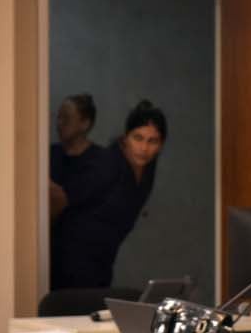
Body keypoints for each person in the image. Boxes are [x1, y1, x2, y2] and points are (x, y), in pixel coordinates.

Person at [50, 100, 167, 289]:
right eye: (138, 138)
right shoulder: (107, 163)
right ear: (126, 137)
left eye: (152, 141)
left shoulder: (147, 169)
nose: (144, 148)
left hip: (102, 260)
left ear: (161, 144)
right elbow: (62, 198)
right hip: (71, 259)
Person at [49, 93, 104, 222]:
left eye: (66, 118)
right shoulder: (50, 153)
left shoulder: (99, 160)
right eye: (58, 117)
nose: (59, 123)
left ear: (85, 123)